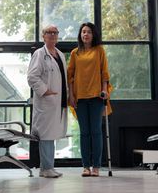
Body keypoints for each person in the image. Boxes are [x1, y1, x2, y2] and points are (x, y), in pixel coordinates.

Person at [67, 22, 111, 178]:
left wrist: (105, 90)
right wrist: (71, 95)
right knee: (84, 133)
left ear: (93, 35)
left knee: (96, 132)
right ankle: (86, 166)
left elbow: (104, 72)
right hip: (80, 98)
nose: (85, 34)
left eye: (89, 32)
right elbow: (70, 77)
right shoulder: (74, 53)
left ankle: (96, 167)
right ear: (80, 35)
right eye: (83, 32)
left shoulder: (99, 51)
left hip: (96, 97)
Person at [27, 25, 67, 178]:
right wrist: (45, 90)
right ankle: (45, 168)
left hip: (58, 101)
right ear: (43, 36)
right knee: (46, 136)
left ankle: (49, 167)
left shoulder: (60, 55)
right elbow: (32, 77)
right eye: (49, 32)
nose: (52, 35)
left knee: (52, 134)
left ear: (57, 36)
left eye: (55, 32)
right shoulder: (39, 54)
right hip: (46, 100)